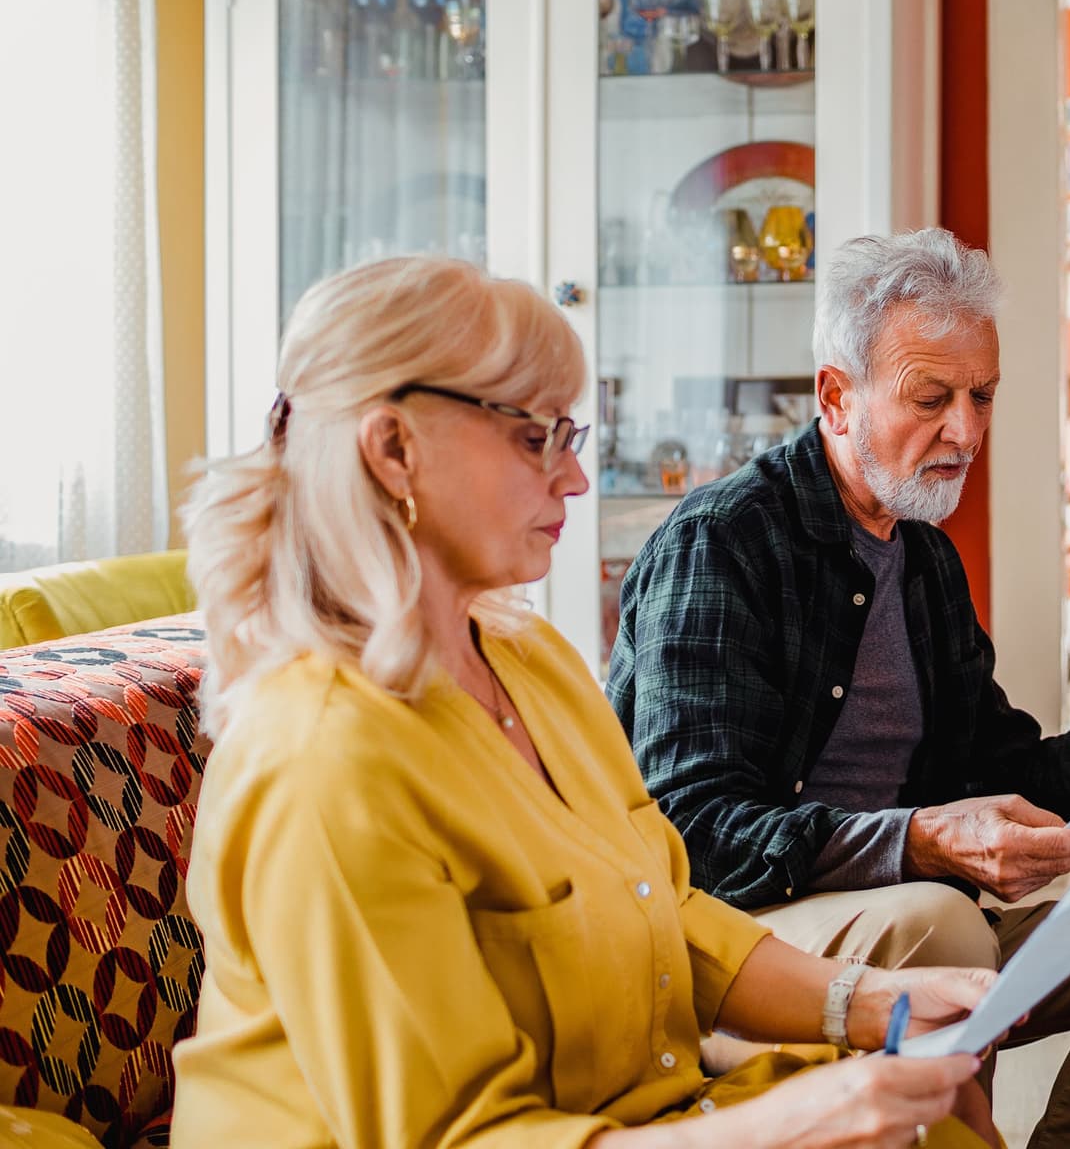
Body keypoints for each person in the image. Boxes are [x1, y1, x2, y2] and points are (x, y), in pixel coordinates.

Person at [172, 256, 1002, 1149]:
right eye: (538, 439)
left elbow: (663, 908)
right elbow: (453, 1136)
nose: (575, 479)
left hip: (632, 1115)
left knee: (941, 1108)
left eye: (573, 435)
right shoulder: (322, 760)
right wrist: (776, 1129)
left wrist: (870, 1003)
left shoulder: (529, 663)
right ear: (393, 448)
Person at [609, 228, 1070, 1149]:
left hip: (920, 919)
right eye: (930, 398)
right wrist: (918, 841)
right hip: (748, 946)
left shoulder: (923, 558)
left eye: (981, 396)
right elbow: (690, 828)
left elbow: (1000, 767)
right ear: (837, 395)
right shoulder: (724, 542)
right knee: (944, 917)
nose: (967, 431)